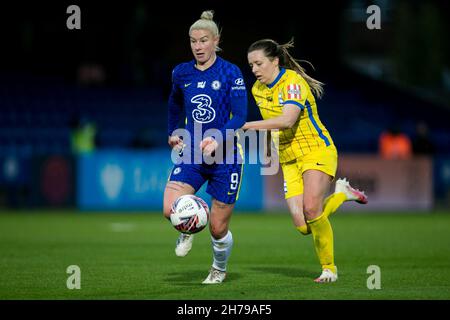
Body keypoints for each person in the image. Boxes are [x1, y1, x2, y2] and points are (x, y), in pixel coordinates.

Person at [243, 38, 368, 283]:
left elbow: (287, 119)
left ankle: (329, 268)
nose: (255, 70)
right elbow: (273, 123)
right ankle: (342, 193)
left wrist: (245, 125)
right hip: (289, 160)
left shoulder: (292, 82)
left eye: (259, 63)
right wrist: (269, 147)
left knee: (312, 209)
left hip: (316, 150)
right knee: (303, 226)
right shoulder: (257, 90)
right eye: (251, 66)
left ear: (275, 61)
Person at [163, 11, 247, 284]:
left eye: (203, 41)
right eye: (193, 41)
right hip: (193, 153)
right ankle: (187, 227)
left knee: (218, 227)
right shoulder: (181, 72)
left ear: (216, 41)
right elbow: (174, 103)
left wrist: (217, 139)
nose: (197, 47)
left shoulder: (230, 72)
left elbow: (240, 116)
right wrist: (174, 132)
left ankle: (218, 269)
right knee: (170, 209)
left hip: (227, 155)